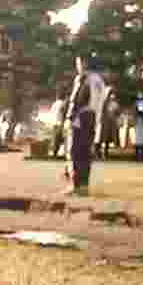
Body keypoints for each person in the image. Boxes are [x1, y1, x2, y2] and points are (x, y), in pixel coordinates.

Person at [63, 54, 106, 195]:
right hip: (92, 117)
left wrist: (70, 117)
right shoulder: (99, 80)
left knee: (75, 151)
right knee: (85, 152)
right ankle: (83, 186)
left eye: (79, 63)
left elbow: (79, 100)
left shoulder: (84, 79)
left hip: (81, 117)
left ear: (85, 63)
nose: (78, 66)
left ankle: (76, 185)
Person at [96, 88, 120, 160]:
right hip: (104, 122)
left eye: (112, 94)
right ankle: (98, 153)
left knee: (107, 139)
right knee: (101, 138)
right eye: (110, 94)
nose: (112, 96)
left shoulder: (115, 103)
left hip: (111, 123)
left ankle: (105, 153)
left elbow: (118, 112)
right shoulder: (104, 103)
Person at [49, 92, 68, 158]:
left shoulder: (55, 103)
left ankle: (55, 153)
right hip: (59, 123)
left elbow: (51, 112)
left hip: (54, 123)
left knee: (55, 139)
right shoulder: (63, 104)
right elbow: (63, 113)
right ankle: (58, 153)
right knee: (59, 139)